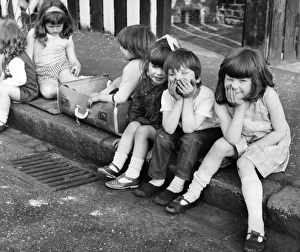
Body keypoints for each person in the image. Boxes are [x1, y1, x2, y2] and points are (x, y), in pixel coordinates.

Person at [165, 47, 291, 252]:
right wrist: (240, 108)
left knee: (244, 162)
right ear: (223, 77)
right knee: (219, 145)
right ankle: (192, 192)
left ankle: (256, 226)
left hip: (269, 143)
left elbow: (279, 131)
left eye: (243, 80)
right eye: (230, 78)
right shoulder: (221, 100)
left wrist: (253, 149)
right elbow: (231, 138)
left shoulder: (268, 96)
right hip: (240, 138)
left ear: (256, 79)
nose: (234, 85)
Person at [133, 48, 222, 206]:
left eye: (184, 73)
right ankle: (157, 178)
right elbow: (168, 128)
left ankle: (178, 183)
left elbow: (190, 128)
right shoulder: (168, 94)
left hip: (206, 132)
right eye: (172, 74)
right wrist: (179, 101)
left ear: (198, 77)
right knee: (161, 135)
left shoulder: (206, 95)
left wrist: (187, 99)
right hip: (183, 127)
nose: (177, 78)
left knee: (190, 139)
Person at [97, 35, 178, 190]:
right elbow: (135, 110)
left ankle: (132, 175)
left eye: (165, 69)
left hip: (164, 133)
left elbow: (170, 124)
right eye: (155, 66)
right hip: (147, 126)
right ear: (147, 65)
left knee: (141, 130)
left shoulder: (170, 90)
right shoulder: (143, 84)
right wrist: (126, 137)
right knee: (134, 123)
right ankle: (116, 165)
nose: (159, 73)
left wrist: (157, 147)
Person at [87, 24, 156, 106]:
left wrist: (99, 97)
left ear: (136, 48)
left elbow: (120, 98)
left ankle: (98, 97)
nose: (120, 48)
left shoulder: (133, 67)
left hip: (135, 106)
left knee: (117, 84)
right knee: (119, 80)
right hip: (146, 101)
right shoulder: (146, 62)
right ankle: (100, 94)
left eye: (124, 47)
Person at [25, 0, 81, 99]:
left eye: (59, 26)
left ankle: (72, 87)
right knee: (47, 92)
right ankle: (72, 89)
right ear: (43, 22)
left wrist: (76, 65)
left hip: (62, 68)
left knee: (71, 81)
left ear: (64, 21)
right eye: (51, 26)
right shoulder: (34, 34)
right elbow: (28, 59)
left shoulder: (66, 35)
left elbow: (73, 59)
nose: (55, 30)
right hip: (44, 72)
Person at [0, 19, 38, 132]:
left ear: (7, 43)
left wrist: (3, 83)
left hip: (27, 91)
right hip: (20, 87)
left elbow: (20, 80)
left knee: (3, 89)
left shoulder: (17, 60)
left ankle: (1, 120)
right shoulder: (9, 54)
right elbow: (4, 73)